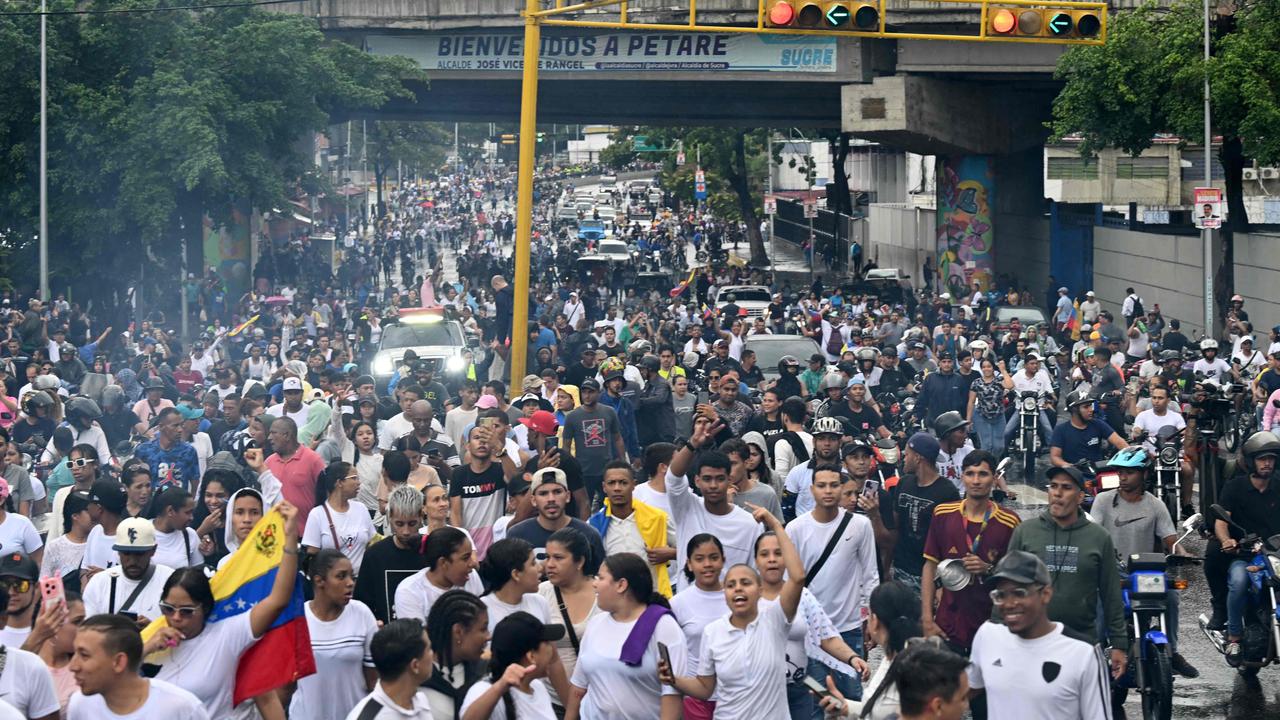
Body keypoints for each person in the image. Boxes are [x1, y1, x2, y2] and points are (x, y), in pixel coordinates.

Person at [144, 501, 302, 719]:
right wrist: (145, 648)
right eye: (168, 609)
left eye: (187, 611)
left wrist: (290, 537)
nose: (176, 618)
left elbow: (278, 600)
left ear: (205, 608)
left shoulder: (227, 635)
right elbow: (114, 679)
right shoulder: (150, 640)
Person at [660, 503, 803, 719]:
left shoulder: (774, 619)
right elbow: (705, 687)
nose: (738, 589)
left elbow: (798, 577)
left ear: (760, 590)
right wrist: (673, 679)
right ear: (724, 594)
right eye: (731, 585)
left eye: (746, 583)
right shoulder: (713, 632)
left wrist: (774, 524)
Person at [1006, 465, 1128, 679]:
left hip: (1080, 645)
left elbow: (1111, 594)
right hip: (1030, 642)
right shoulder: (1025, 532)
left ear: (1081, 496)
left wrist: (1119, 644)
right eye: (1053, 486)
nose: (1058, 493)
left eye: (1066, 487)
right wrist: (1000, 633)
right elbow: (1008, 587)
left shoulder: (1099, 537)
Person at [1088, 447, 1198, 678]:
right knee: (1099, 603)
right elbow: (1093, 535)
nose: (1123, 477)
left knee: (1172, 596)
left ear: (1145, 475)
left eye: (1130, 472)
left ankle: (1172, 651)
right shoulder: (1103, 500)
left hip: (1146, 573)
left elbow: (1170, 539)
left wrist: (1183, 552)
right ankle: (1094, 654)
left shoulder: (1156, 505)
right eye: (1121, 472)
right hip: (1113, 572)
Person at [968, 551, 1113, 720]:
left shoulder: (1083, 652)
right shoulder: (988, 635)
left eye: (1019, 593)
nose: (1009, 604)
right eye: (1001, 595)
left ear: (1045, 594)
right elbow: (966, 691)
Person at [785, 463, 878, 704]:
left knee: (851, 700)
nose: (828, 491)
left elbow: (870, 574)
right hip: (809, 632)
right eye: (822, 485)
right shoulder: (795, 529)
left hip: (849, 628)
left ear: (842, 488)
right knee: (816, 701)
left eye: (834, 485)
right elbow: (789, 583)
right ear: (811, 489)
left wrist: (871, 618)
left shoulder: (860, 525)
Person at [564, 553, 685, 720]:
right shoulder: (595, 624)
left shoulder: (662, 626)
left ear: (621, 585)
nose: (594, 584)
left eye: (600, 577)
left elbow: (672, 693)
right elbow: (579, 687)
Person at [665, 418, 762, 592]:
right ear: (697, 480)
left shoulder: (750, 525)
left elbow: (755, 577)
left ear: (729, 480)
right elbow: (673, 478)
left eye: (719, 479)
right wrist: (693, 443)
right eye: (707, 479)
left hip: (734, 613)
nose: (713, 485)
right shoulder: (687, 508)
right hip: (688, 612)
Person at [1215, 430, 1280, 666]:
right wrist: (1226, 540)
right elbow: (1222, 521)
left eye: (1271, 458)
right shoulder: (1235, 487)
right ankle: (1234, 637)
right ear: (1251, 461)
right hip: (1246, 555)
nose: (1267, 463)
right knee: (1239, 581)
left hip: (1276, 556)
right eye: (1262, 459)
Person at [291, 549, 378, 720]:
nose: (350, 582)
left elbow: (373, 680)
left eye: (351, 576)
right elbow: (286, 685)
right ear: (319, 581)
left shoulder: (362, 613)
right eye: (341, 576)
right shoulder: (298, 618)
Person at [67, 614, 208, 720]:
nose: (73, 666)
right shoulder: (80, 705)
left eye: (84, 655)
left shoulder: (182, 708)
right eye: (74, 654)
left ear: (119, 662)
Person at [535, 527, 602, 710]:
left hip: (598, 701)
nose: (549, 564)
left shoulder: (603, 593)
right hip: (551, 702)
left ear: (579, 561)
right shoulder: (540, 594)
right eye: (547, 557)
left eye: (558, 558)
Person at [589, 461, 675, 595]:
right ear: (604, 487)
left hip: (652, 598)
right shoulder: (594, 525)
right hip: (613, 601)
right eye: (611, 483)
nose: (617, 488)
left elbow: (689, 551)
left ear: (634, 485)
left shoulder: (658, 518)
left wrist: (671, 553)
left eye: (623, 483)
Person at [460, 611, 563, 720]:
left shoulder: (537, 687)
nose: (552, 649)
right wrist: (500, 687)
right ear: (531, 656)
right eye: (546, 643)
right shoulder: (484, 689)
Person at [668, 534, 727, 719]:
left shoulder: (737, 598)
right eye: (699, 559)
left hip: (735, 696)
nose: (707, 564)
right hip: (694, 699)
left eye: (714, 557)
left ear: (723, 560)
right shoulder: (678, 603)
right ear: (689, 564)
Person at [354, 485, 429, 625]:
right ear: (390, 518)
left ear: (421, 516)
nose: (406, 531)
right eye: (399, 524)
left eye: (412, 523)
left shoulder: (431, 551)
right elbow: (363, 603)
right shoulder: (375, 555)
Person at [506, 467, 605, 569]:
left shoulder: (589, 534)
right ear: (533, 500)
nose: (551, 499)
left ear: (567, 496)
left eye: (557, 492)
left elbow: (598, 578)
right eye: (543, 493)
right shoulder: (517, 534)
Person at [81, 517, 175, 623]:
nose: (132, 561)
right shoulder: (99, 583)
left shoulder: (170, 580)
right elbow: (87, 627)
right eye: (126, 553)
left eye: (139, 554)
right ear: (118, 552)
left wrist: (153, 629)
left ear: (153, 551)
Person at [345, 618, 436, 720]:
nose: (433, 654)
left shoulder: (420, 701)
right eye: (429, 649)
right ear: (415, 665)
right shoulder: (366, 717)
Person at [303, 460, 377, 577]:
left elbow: (371, 543)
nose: (359, 482)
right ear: (339, 482)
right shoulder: (317, 515)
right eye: (354, 478)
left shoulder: (361, 509)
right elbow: (313, 556)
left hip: (360, 581)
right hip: (333, 585)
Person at [423, 590, 489, 718]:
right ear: (458, 631)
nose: (488, 636)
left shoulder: (485, 674)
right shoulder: (418, 681)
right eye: (483, 629)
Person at [393, 527, 483, 623]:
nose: (472, 563)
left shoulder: (471, 576)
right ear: (443, 562)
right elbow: (417, 636)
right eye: (465, 558)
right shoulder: (409, 591)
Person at [265, 416, 326, 531]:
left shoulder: (313, 460)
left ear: (287, 435)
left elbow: (325, 496)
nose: (269, 438)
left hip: (306, 535)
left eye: (273, 433)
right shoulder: (268, 462)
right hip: (275, 535)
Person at [782, 416, 843, 521]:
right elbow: (786, 510)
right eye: (821, 438)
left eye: (832, 439)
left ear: (840, 443)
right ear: (814, 442)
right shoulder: (797, 472)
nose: (827, 443)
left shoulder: (846, 473)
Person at [132, 408, 199, 492]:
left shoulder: (189, 451)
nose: (180, 430)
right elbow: (136, 481)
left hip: (178, 502)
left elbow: (195, 481)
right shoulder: (143, 450)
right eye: (175, 425)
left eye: (181, 425)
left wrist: (189, 502)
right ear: (161, 426)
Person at [148, 488, 203, 569]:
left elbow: (197, 572)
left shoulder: (189, 535)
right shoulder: (142, 530)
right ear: (170, 511)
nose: (191, 518)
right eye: (187, 512)